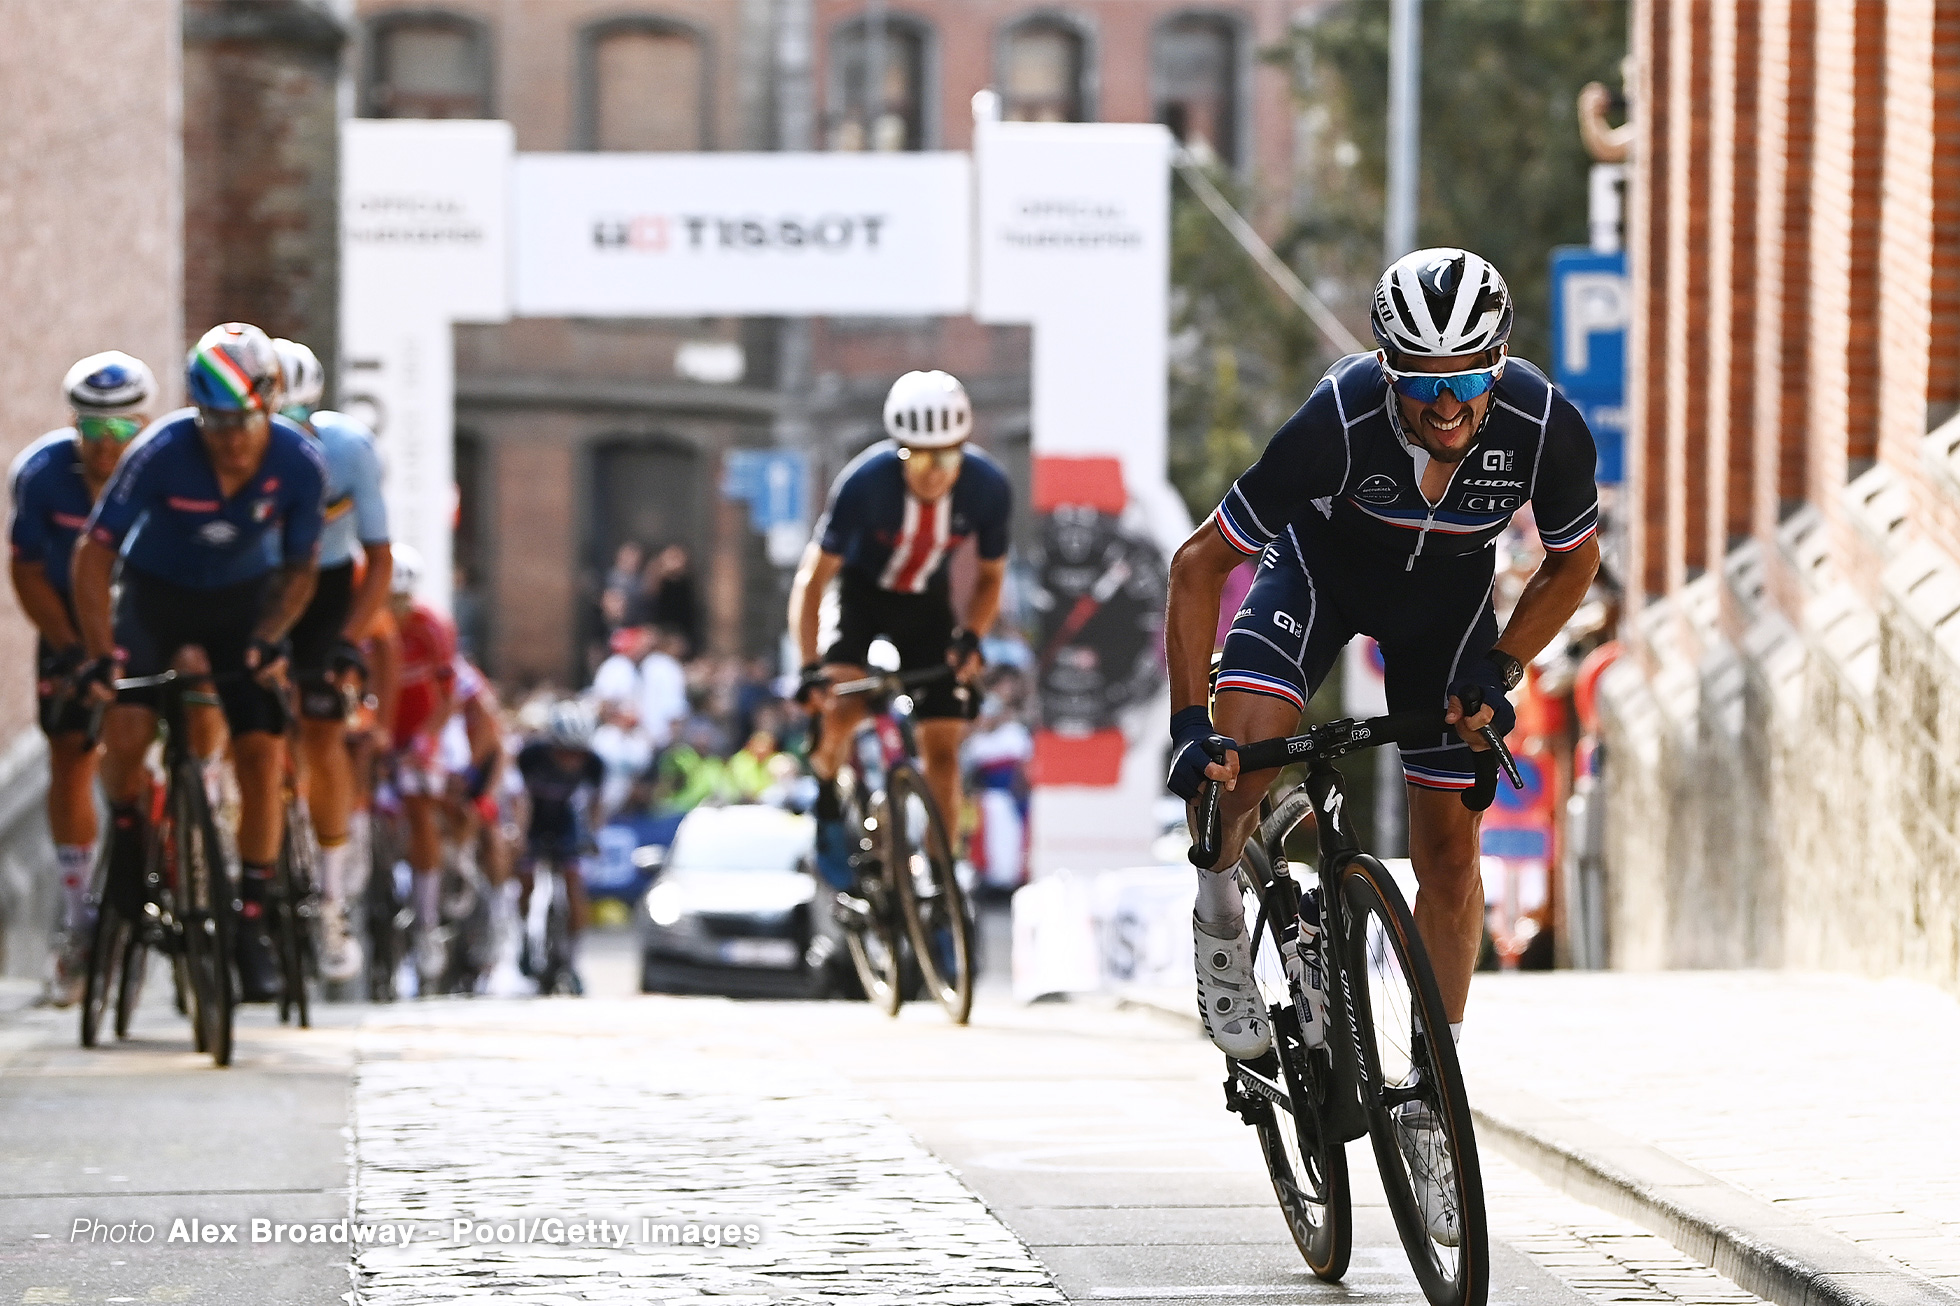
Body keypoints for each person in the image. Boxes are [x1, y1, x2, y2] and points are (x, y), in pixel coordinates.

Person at [1164, 249, 1600, 1243]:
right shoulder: (1338, 417)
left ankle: (1430, 1101)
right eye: (1420, 380)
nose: (1445, 403)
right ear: (1386, 367)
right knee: (1246, 756)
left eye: (1465, 377)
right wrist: (1190, 726)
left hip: (1442, 615)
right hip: (1317, 583)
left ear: (1497, 360)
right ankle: (1219, 910)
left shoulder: (1541, 424)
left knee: (1449, 856)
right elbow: (1197, 565)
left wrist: (1501, 664)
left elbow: (1574, 562)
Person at [72, 322, 327, 1004]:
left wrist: (273, 635)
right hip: (155, 599)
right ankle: (127, 837)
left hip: (243, 603)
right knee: (124, 730)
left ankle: (250, 918)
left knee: (261, 750)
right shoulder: (161, 452)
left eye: (240, 420)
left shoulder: (299, 463)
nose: (228, 438)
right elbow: (94, 555)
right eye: (212, 421)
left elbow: (303, 568)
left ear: (268, 406)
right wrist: (98, 654)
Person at [787, 369, 1010, 893]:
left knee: (945, 750)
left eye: (947, 457)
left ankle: (939, 885)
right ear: (899, 450)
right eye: (920, 457)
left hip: (923, 606)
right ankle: (824, 793)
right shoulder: (864, 484)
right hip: (860, 596)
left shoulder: (987, 487)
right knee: (841, 707)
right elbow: (812, 580)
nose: (934, 473)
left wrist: (971, 637)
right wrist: (809, 667)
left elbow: (990, 578)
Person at [9, 351, 156, 1004]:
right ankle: (76, 920)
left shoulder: (165, 470)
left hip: (146, 623)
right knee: (71, 756)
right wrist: (69, 647)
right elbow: (28, 571)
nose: (105, 449)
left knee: (163, 740)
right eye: (92, 433)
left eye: (121, 433)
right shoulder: (42, 475)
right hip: (71, 627)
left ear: (143, 427)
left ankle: (179, 839)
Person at [270, 338, 392, 985]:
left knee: (323, 734)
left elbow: (380, 560)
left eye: (296, 424)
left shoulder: (348, 451)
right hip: (258, 580)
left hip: (326, 586)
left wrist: (348, 638)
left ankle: (331, 897)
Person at [382, 542, 462, 988]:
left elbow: (448, 695)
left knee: (419, 806)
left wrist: (425, 738)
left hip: (419, 729)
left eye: (401, 601)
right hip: (381, 724)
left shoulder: (431, 626)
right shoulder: (371, 625)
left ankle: (427, 919)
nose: (395, 609)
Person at [515, 700, 604, 992]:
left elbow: (595, 804)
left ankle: (573, 960)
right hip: (534, 818)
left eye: (577, 754)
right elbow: (520, 799)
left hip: (565, 820)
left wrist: (593, 837)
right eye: (564, 752)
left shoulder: (595, 764)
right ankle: (524, 937)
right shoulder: (530, 756)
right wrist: (520, 836)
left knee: (574, 884)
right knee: (526, 880)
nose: (570, 761)